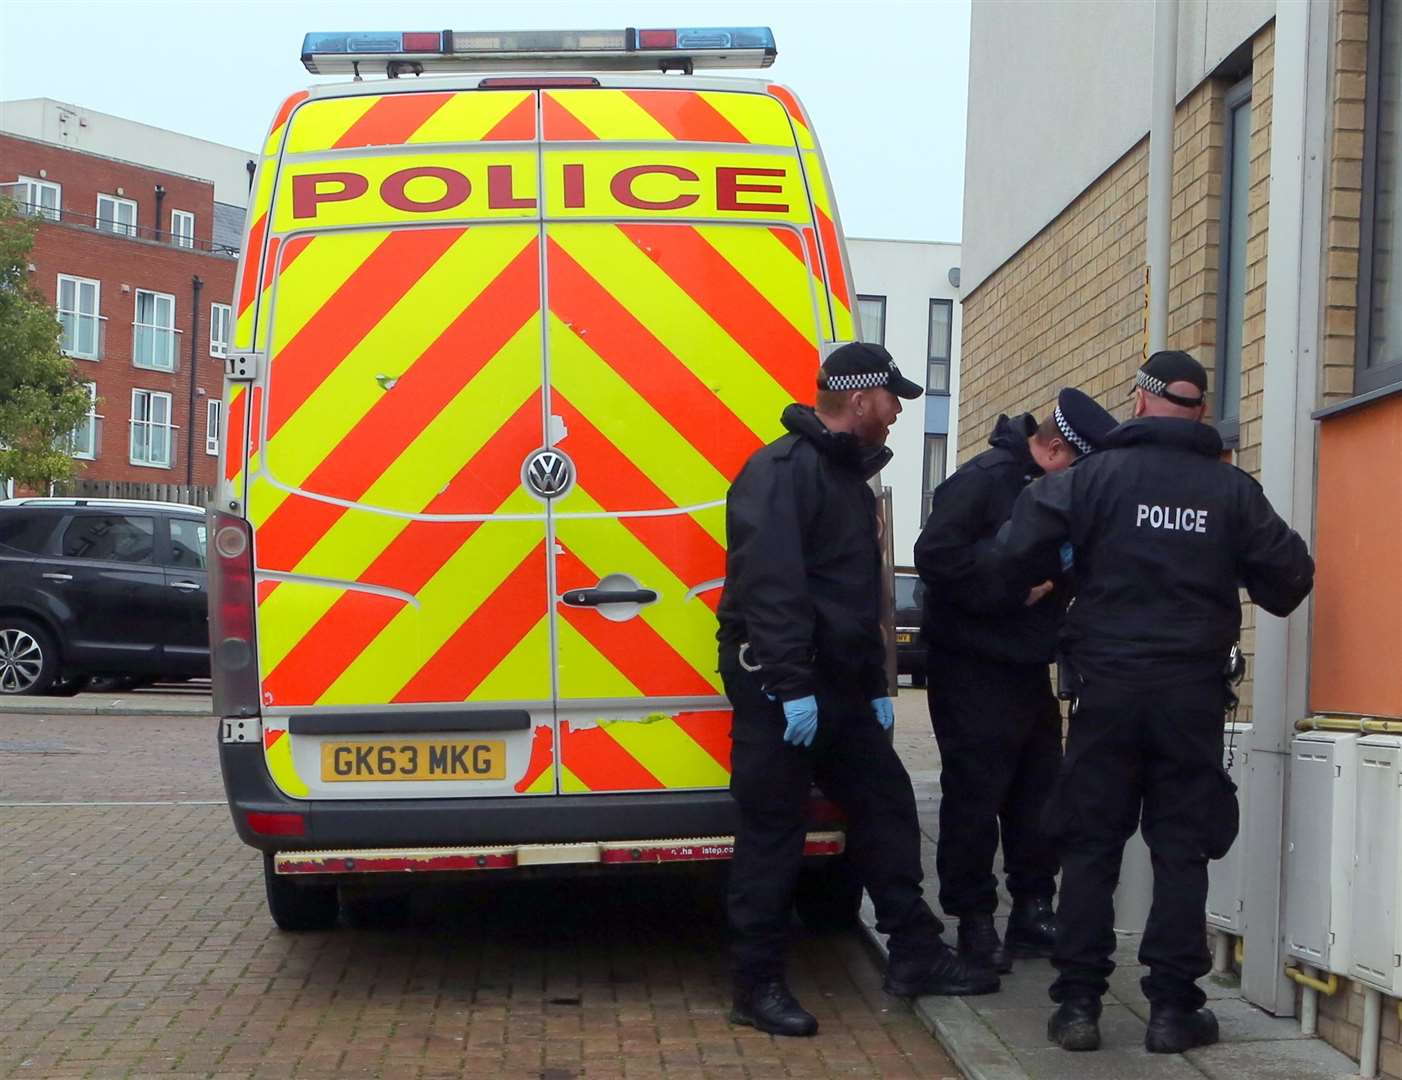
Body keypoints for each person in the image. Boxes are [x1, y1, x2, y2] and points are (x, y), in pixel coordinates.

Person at [987, 350, 1314, 1055]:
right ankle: (1172, 1011)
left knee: (1091, 845)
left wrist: (1063, 575)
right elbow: (1291, 580)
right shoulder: (1231, 492)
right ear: (1200, 413)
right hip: (1190, 695)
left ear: (1139, 403)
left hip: (1104, 691)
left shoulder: (1092, 479)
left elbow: (1010, 553)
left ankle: (1077, 1006)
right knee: (1180, 849)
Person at [717, 340, 1000, 1038]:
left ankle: (915, 952)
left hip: (836, 684)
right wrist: (789, 687)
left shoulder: (842, 477)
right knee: (773, 836)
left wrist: (874, 680)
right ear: (860, 398)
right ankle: (755, 986)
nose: (899, 411)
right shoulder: (781, 472)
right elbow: (772, 586)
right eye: (892, 398)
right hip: (782, 688)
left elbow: (856, 598)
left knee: (886, 806)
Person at [913, 388, 1117, 976]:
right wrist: (1008, 591)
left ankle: (1033, 907)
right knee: (976, 798)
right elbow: (937, 557)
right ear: (1054, 448)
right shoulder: (985, 480)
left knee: (1037, 793)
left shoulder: (1051, 486)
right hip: (973, 666)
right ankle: (975, 922)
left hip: (1027, 664)